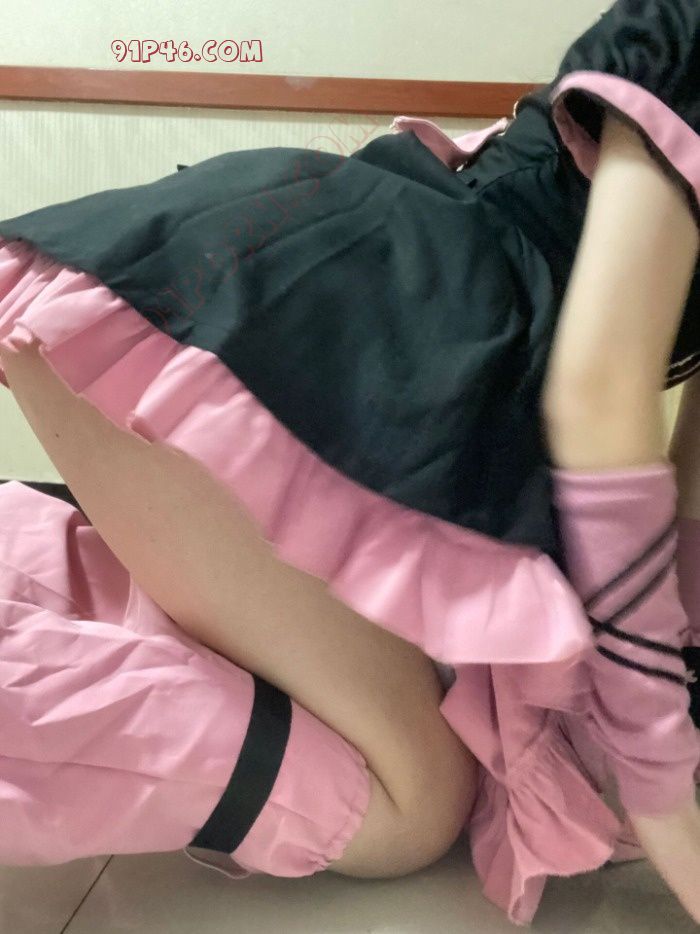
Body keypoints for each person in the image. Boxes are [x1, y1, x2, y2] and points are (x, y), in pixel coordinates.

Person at [0, 0, 699, 926]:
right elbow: (599, 406)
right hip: (255, 327)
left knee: (442, 751)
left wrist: (660, 717)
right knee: (412, 805)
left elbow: (683, 488)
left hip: (358, 369)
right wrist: (667, 800)